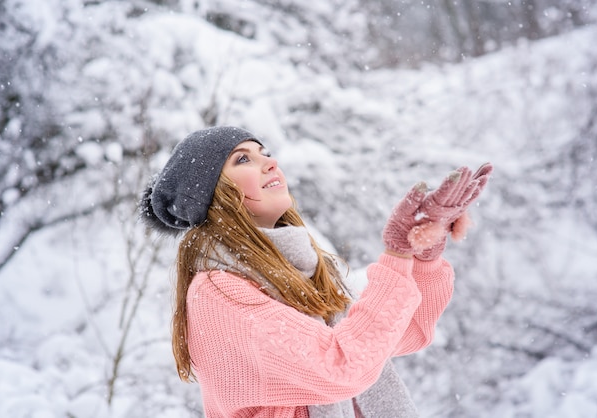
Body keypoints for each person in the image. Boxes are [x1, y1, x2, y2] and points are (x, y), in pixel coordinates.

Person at [139, 126, 493, 418]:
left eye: (265, 152)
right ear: (214, 196)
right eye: (243, 159)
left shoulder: (302, 273)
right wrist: (396, 254)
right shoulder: (218, 291)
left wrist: (423, 255)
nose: (269, 162)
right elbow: (341, 365)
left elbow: (401, 333)